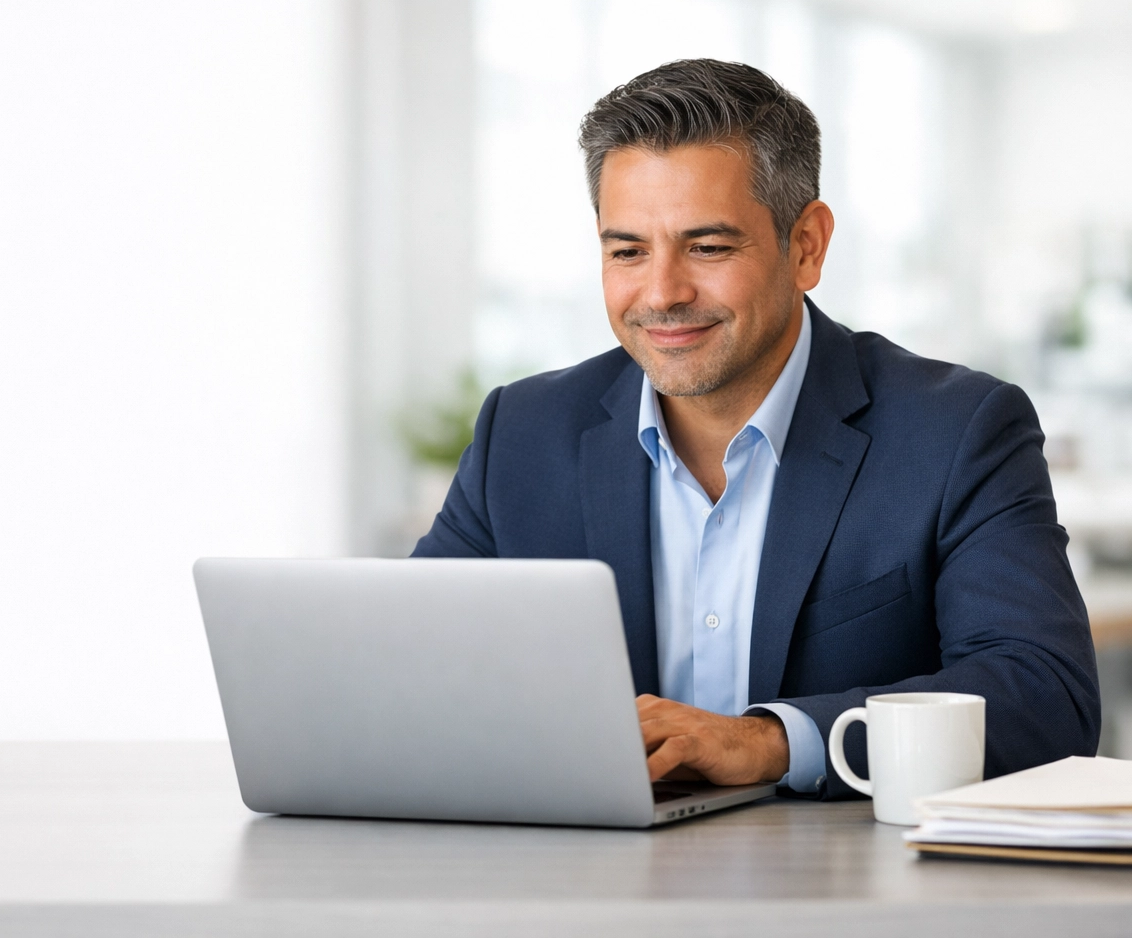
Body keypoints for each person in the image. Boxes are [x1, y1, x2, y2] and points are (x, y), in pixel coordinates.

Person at [412, 59, 1100, 799]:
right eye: (627, 251)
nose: (663, 293)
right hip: (589, 890)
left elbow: (1045, 693)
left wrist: (773, 740)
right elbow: (404, 663)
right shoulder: (523, 432)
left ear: (806, 245)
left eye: (708, 248)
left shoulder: (956, 429)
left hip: (847, 898)